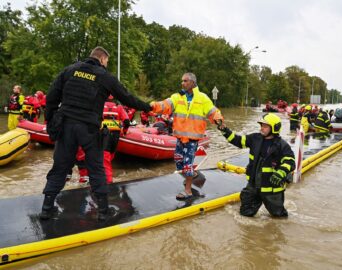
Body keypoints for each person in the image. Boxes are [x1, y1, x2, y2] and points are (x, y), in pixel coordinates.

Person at [41, 46, 152, 221]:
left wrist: (50, 122)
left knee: (60, 167)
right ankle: (103, 211)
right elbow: (127, 97)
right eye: (107, 61)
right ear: (101, 59)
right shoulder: (104, 76)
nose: (106, 64)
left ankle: (46, 209)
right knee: (96, 168)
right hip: (89, 129)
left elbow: (51, 97)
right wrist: (148, 107)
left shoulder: (69, 70)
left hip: (66, 126)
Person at [151, 72, 223, 200]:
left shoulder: (202, 98)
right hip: (179, 137)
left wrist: (218, 119)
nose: (182, 83)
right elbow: (165, 105)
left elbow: (212, 111)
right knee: (178, 161)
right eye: (182, 81)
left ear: (193, 83)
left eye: (185, 81)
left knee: (187, 165)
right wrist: (153, 106)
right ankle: (193, 175)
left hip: (192, 139)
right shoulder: (177, 97)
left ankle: (188, 190)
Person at [218, 113, 295, 217]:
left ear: (274, 128)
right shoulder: (255, 138)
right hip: (253, 185)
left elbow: (290, 162)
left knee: (279, 218)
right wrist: (225, 130)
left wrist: (280, 173)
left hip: (271, 189)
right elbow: (238, 141)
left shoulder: (282, 145)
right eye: (261, 125)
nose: (262, 128)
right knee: (245, 214)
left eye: (265, 126)